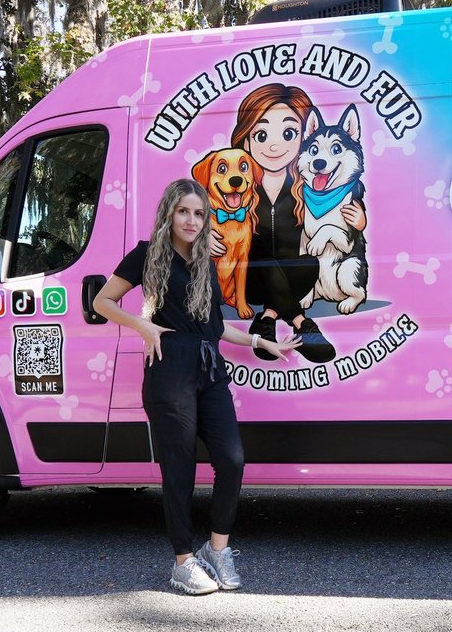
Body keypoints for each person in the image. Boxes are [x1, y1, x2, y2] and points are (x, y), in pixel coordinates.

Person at [94, 178, 300, 594]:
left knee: (232, 458)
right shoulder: (146, 253)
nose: (191, 220)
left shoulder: (205, 261)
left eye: (199, 213)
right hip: (169, 369)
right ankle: (183, 560)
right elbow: (102, 301)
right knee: (179, 469)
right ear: (169, 213)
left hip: (209, 370)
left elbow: (217, 328)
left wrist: (262, 342)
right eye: (183, 211)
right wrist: (142, 324)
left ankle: (216, 550)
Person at [229, 83, 367, 364]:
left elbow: (341, 216)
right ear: (246, 138)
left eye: (289, 133)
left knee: (308, 263)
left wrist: (360, 221)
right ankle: (301, 323)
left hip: (294, 279)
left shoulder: (307, 189)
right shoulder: (239, 186)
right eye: (262, 134)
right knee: (257, 252)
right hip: (250, 276)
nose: (275, 145)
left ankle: (267, 320)